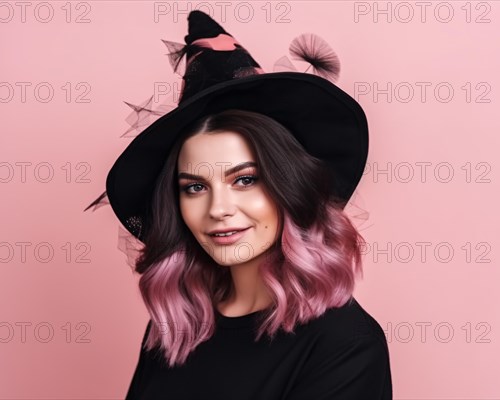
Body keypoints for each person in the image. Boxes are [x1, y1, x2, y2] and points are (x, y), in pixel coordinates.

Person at [85, 10, 393, 400]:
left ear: (289, 187)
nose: (218, 208)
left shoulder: (345, 344)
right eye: (195, 187)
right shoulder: (177, 324)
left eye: (245, 180)